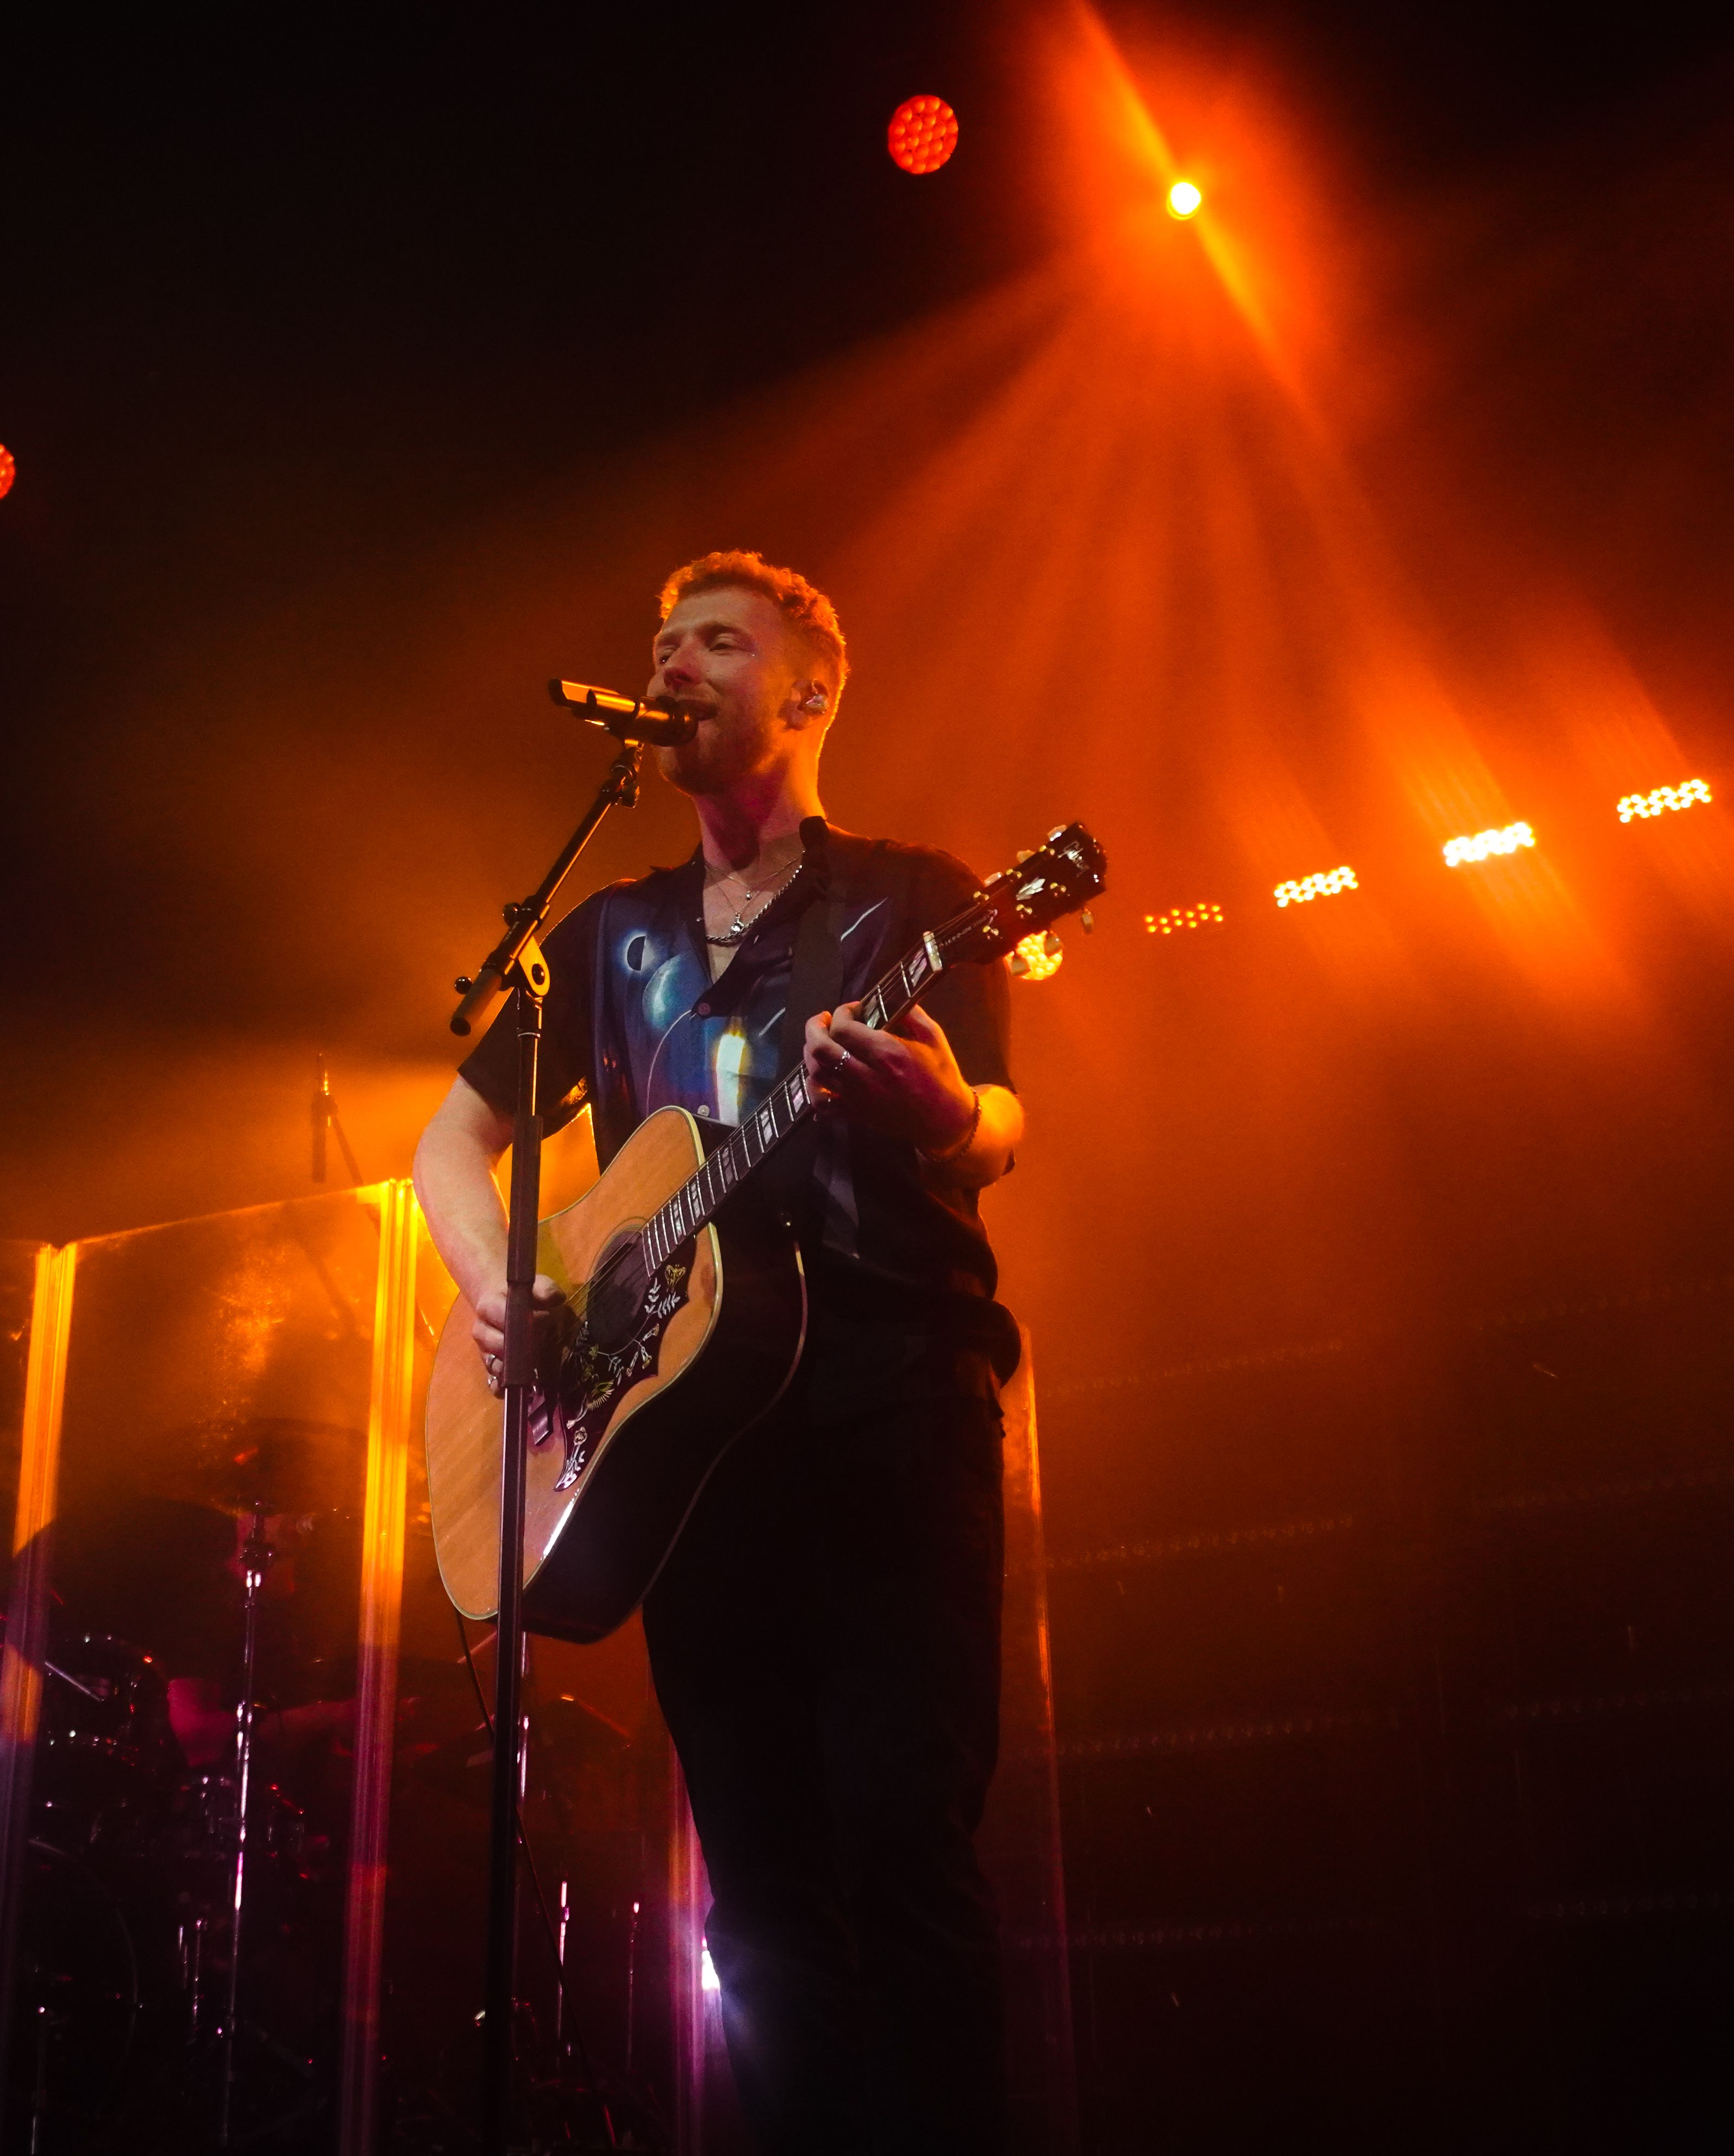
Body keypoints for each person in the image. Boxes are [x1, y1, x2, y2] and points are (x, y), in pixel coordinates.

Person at [413, 551, 1025, 2154]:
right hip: (694, 1454)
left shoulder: (916, 896)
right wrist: (502, 1284)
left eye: (717, 642)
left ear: (810, 689)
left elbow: (1003, 1124)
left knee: (904, 1847)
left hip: (891, 1413)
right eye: (663, 644)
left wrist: (945, 1114)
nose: (673, 666)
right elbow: (447, 1146)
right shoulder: (606, 935)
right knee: (756, 1892)